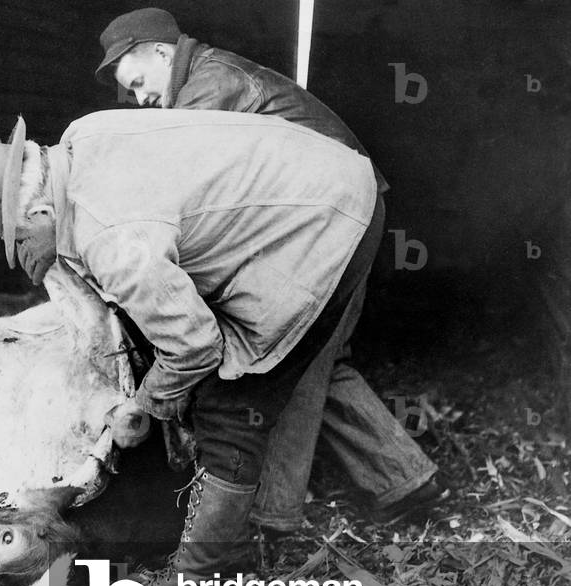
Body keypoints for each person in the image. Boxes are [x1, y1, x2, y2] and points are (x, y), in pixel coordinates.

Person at [0, 108, 413, 586]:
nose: (27, 258)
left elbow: (194, 347)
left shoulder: (114, 242)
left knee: (233, 403)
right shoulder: (77, 140)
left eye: (20, 244)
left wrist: (145, 405)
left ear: (37, 214)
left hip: (323, 220)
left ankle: (195, 585)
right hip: (310, 183)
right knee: (209, 376)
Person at [92, 7, 444, 527]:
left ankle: (269, 515)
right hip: (342, 214)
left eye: (141, 83)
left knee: (284, 360)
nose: (140, 98)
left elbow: (175, 186)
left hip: (335, 220)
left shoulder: (211, 89)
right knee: (324, 354)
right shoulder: (207, 77)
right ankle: (406, 480)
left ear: (162, 52)